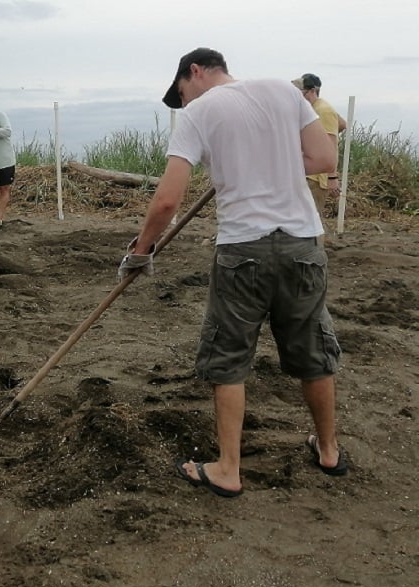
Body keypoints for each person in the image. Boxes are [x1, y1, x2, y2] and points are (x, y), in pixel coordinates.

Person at [119, 48, 344, 497]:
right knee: (311, 348)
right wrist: (270, 164)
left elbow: (166, 201)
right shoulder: (285, 89)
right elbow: (324, 161)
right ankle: (329, 450)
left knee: (229, 359)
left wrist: (141, 251)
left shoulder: (199, 113)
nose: (184, 103)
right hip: (303, 245)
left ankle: (227, 469)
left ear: (195, 72)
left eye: (182, 93)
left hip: (244, 250)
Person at [292, 73, 347, 222]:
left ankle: (318, 245)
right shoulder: (318, 107)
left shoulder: (323, 110)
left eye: (300, 93)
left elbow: (331, 145)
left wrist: (332, 177)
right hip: (309, 174)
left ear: (311, 91)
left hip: (315, 178)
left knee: (310, 221)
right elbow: (342, 124)